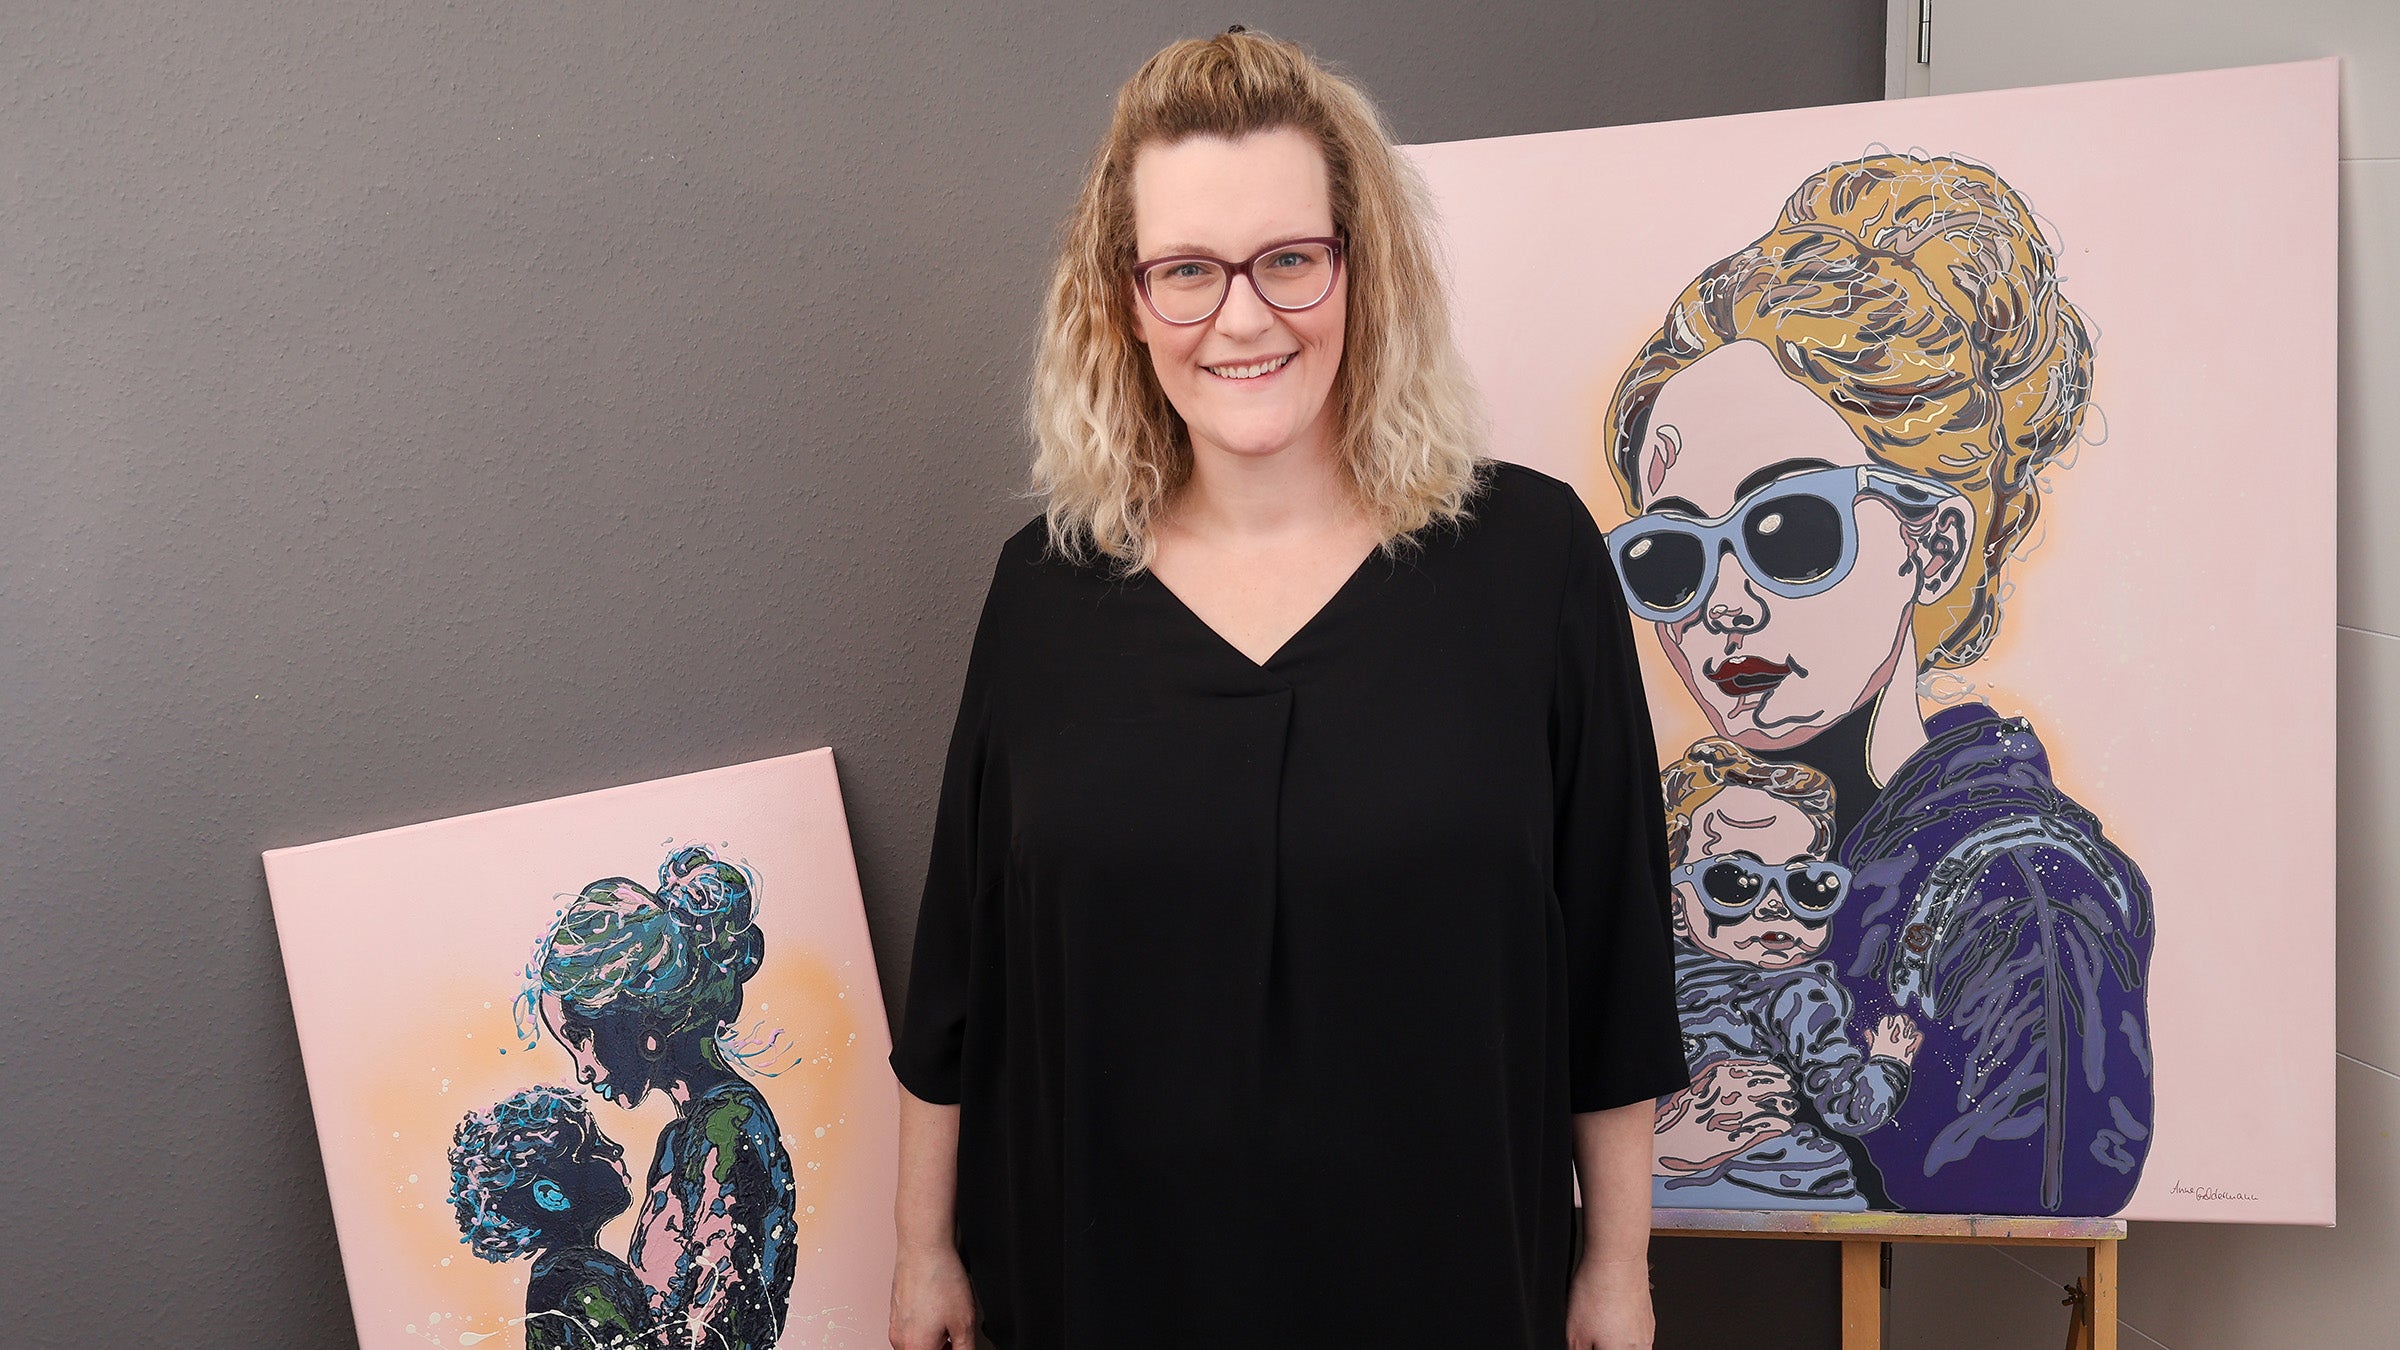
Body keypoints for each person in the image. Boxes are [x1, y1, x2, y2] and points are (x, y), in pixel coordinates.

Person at [888, 29, 1687, 1350]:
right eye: (1188, 271)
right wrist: (923, 1253)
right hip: (1098, 1291)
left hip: (1446, 1290)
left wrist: (1619, 1265)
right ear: (1126, 302)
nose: (1244, 317)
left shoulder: (1533, 561)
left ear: (1360, 269)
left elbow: (1614, 958)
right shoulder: (1043, 590)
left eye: (1290, 260)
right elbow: (958, 980)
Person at [1598, 153, 2154, 1215]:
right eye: (1669, 557)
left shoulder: (2018, 897)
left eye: (1787, 530)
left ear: (1930, 547)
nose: (1722, 606)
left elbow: (2030, 1203)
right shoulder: (1679, 840)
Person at [530, 846, 799, 1348]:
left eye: (582, 1039)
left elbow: (722, 1327)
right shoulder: (681, 1137)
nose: (582, 1071)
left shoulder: (728, 1125)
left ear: (639, 1023)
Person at [1649, 737, 1919, 1211]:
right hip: (1781, 1187)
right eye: (1735, 882)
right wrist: (1889, 1060)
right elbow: (1855, 1108)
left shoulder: (1642, 988)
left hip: (1682, 1191)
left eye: (1807, 885)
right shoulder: (1797, 994)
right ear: (1675, 903)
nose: (1775, 907)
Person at [447, 1086, 650, 1350]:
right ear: (551, 1195)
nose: (615, 1148)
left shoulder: (553, 1276)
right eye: (592, 1146)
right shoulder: (586, 1277)